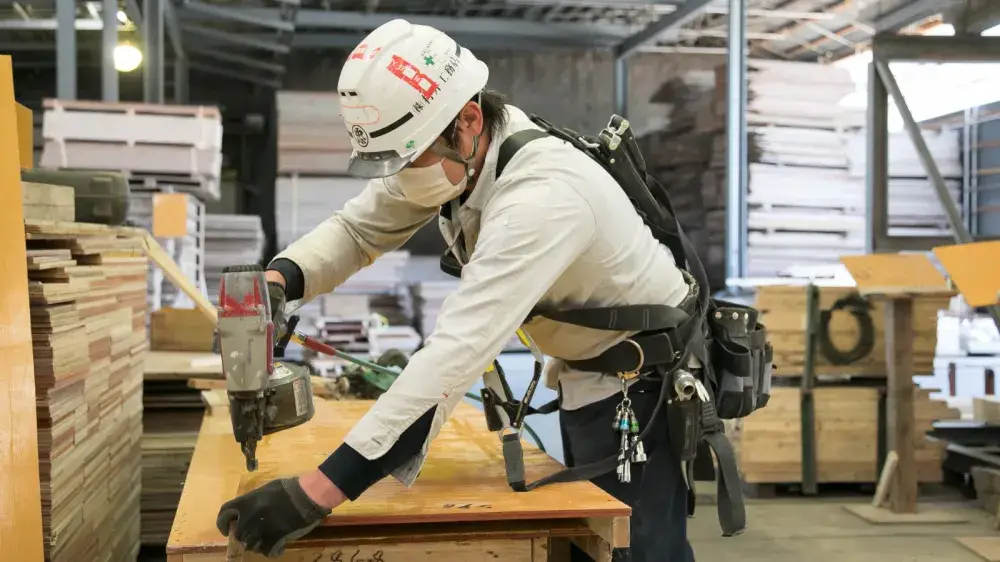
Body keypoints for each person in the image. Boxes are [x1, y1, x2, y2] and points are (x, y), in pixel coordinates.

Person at [215, 18, 706, 562]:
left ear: (468, 119)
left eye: (406, 160)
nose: (399, 180)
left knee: (640, 550)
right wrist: (280, 282)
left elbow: (453, 357)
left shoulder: (542, 199)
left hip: (642, 389)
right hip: (589, 377)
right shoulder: (459, 153)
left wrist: (314, 494)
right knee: (599, 545)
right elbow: (358, 230)